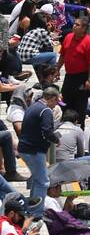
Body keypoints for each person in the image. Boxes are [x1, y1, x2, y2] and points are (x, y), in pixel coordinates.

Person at [18, 86, 61, 216]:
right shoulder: (46, 111)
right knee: (43, 182)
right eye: (56, 101)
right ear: (53, 99)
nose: (56, 105)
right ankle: (36, 213)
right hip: (34, 151)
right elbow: (47, 131)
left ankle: (31, 209)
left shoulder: (34, 106)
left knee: (37, 180)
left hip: (25, 149)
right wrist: (56, 140)